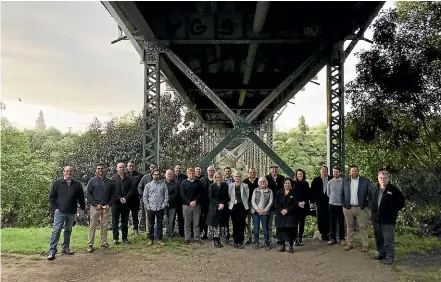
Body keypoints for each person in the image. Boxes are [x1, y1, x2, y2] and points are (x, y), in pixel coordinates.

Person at [47, 166, 85, 261]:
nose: (69, 173)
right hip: (60, 211)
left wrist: (82, 208)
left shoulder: (77, 184)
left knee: (68, 230)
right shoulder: (57, 183)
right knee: (56, 230)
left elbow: (81, 198)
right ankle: (52, 251)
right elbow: (51, 197)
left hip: (71, 211)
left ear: (72, 173)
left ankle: (65, 248)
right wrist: (55, 209)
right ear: (63, 172)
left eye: (70, 171)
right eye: (67, 171)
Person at [370, 170, 405, 265]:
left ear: (388, 179)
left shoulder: (394, 190)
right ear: (378, 179)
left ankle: (390, 257)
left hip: (388, 220)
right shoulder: (374, 189)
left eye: (384, 178)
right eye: (381, 178)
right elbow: (371, 201)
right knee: (379, 238)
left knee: (388, 239)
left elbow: (401, 203)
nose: (382, 180)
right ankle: (381, 254)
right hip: (376, 218)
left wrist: (392, 211)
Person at [342, 165, 373, 252]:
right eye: (352, 171)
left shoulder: (365, 181)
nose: (354, 172)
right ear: (349, 172)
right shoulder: (346, 181)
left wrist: (368, 204)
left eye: (355, 171)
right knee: (349, 226)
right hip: (348, 208)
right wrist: (343, 204)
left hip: (361, 208)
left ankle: (365, 245)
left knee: (363, 227)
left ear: (358, 171)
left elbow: (370, 193)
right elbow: (342, 193)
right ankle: (349, 244)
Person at [86, 163, 114, 253]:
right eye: (98, 168)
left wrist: (109, 204)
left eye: (102, 168)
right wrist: (95, 204)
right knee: (93, 225)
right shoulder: (92, 181)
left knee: (105, 225)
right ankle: (90, 244)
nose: (100, 170)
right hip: (96, 207)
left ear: (105, 169)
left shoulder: (110, 182)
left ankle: (104, 243)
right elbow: (88, 194)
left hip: (106, 206)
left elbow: (113, 194)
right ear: (96, 170)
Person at [111, 163, 137, 245]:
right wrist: (119, 198)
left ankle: (125, 238)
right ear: (116, 168)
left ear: (125, 168)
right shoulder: (112, 179)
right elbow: (111, 192)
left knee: (124, 222)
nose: (121, 169)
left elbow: (132, 190)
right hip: (116, 204)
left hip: (126, 203)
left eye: (122, 167)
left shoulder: (130, 179)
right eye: (120, 167)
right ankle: (115, 238)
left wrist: (125, 198)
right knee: (115, 221)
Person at [143, 168, 168, 246]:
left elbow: (166, 197)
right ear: (152, 175)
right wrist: (147, 206)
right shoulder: (148, 185)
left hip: (160, 208)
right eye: (155, 174)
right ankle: (151, 239)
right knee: (151, 224)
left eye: (158, 174)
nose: (156, 176)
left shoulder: (163, 184)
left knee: (159, 224)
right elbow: (145, 197)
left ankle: (160, 239)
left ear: (159, 175)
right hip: (151, 208)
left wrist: (163, 205)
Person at [274, 178, 298, 253]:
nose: (287, 184)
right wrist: (281, 210)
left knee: (290, 231)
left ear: (291, 185)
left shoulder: (294, 192)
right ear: (283, 184)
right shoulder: (279, 192)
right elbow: (276, 203)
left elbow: (295, 203)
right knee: (281, 231)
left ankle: (291, 246)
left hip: (290, 215)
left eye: (289, 183)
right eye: (286, 183)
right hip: (280, 214)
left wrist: (287, 210)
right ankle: (282, 246)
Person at [206, 172, 230, 248]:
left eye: (220, 177)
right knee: (215, 224)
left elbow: (227, 196)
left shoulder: (225, 185)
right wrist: (218, 204)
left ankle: (221, 238)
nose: (218, 179)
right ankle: (216, 240)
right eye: (217, 177)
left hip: (223, 207)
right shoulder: (212, 186)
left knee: (221, 223)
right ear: (215, 178)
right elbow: (211, 197)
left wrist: (223, 203)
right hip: (214, 207)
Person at [180, 168, 204, 245]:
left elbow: (201, 194)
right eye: (189, 173)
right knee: (187, 223)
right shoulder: (183, 182)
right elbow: (182, 194)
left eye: (193, 173)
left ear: (195, 173)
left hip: (197, 205)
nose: (191, 174)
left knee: (196, 222)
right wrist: (189, 202)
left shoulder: (198, 182)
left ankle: (197, 238)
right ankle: (187, 238)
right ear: (187, 174)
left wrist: (196, 201)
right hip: (186, 206)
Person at [228, 171, 249, 249]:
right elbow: (230, 196)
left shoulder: (245, 185)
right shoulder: (230, 186)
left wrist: (244, 205)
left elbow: (247, 196)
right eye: (235, 176)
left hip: (242, 207)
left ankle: (241, 241)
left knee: (241, 224)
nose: (237, 178)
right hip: (233, 207)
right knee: (235, 224)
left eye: (238, 176)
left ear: (241, 177)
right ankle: (235, 241)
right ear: (233, 177)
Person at [251, 177, 273, 250]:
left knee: (265, 229)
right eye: (261, 182)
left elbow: (271, 202)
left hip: (265, 213)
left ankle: (266, 243)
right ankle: (257, 243)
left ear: (266, 183)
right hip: (256, 213)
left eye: (264, 182)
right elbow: (253, 201)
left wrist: (264, 210)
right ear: (259, 183)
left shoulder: (270, 191)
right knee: (256, 229)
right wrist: (257, 210)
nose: (262, 183)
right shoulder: (255, 190)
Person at [310, 166, 331, 241]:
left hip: (329, 201)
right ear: (320, 171)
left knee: (329, 217)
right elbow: (312, 191)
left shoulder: (331, 179)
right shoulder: (316, 180)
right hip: (319, 202)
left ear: (327, 171)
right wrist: (312, 202)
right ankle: (322, 233)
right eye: (322, 170)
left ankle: (328, 233)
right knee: (320, 217)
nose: (324, 171)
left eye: (325, 170)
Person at [326, 167, 346, 246]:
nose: (335, 173)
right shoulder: (330, 182)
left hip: (341, 205)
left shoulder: (344, 181)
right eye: (334, 172)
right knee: (332, 222)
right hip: (332, 204)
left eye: (337, 172)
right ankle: (333, 238)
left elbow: (346, 192)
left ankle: (342, 238)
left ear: (339, 173)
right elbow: (328, 193)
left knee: (341, 222)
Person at [266, 165, 285, 245]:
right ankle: (269, 239)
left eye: (275, 169)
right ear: (270, 170)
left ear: (277, 170)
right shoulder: (266, 178)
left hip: (279, 204)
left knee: (279, 223)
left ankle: (280, 238)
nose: (274, 170)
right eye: (272, 169)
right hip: (270, 204)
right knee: (269, 223)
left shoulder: (282, 178)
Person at [137, 163, 159, 233]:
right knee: (148, 218)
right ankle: (149, 232)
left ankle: (156, 233)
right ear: (149, 168)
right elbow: (139, 187)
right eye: (151, 167)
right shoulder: (145, 177)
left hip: (157, 202)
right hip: (148, 202)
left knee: (157, 218)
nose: (153, 168)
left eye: (154, 167)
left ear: (157, 168)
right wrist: (144, 196)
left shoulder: (160, 177)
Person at [126, 160, 144, 235]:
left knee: (135, 215)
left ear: (134, 167)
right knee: (125, 215)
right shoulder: (124, 174)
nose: (131, 167)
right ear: (127, 167)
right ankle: (125, 230)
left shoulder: (140, 175)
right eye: (130, 166)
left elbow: (142, 186)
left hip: (135, 199)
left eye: (132, 166)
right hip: (126, 199)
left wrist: (140, 196)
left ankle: (136, 229)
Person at [243, 167, 259, 244]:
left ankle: (256, 238)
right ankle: (249, 236)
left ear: (256, 173)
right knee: (247, 221)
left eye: (254, 172)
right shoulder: (245, 181)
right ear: (248, 173)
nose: (252, 174)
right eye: (251, 172)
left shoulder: (259, 181)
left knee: (256, 221)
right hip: (248, 203)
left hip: (256, 204)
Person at [200, 166, 215, 239]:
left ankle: (214, 234)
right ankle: (205, 233)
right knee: (204, 218)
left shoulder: (216, 179)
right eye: (209, 170)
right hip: (205, 202)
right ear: (207, 171)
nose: (211, 172)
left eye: (212, 170)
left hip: (214, 202)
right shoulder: (203, 179)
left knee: (213, 217)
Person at [164, 169, 180, 238]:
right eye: (168, 174)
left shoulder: (176, 183)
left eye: (170, 174)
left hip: (173, 204)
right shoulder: (162, 182)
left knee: (171, 219)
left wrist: (167, 199)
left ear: (172, 175)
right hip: (163, 204)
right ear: (165, 175)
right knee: (165, 219)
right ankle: (165, 233)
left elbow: (176, 194)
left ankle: (169, 233)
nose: (169, 175)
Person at [174, 164, 187, 237]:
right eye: (176, 168)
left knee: (181, 218)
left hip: (181, 201)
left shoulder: (184, 177)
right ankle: (171, 232)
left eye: (179, 168)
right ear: (174, 169)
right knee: (171, 218)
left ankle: (181, 232)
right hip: (173, 201)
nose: (178, 170)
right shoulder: (171, 176)